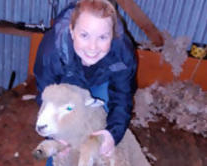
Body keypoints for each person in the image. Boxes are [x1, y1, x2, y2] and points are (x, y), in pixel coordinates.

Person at [34, 0, 137, 165]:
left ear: (112, 35)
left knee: (99, 125)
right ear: (72, 31)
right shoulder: (52, 51)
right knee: (61, 145)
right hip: (66, 85)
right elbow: (47, 97)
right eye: (84, 35)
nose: (92, 47)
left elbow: (122, 97)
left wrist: (112, 134)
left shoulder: (122, 54)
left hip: (101, 80)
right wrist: (56, 136)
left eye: (103, 37)